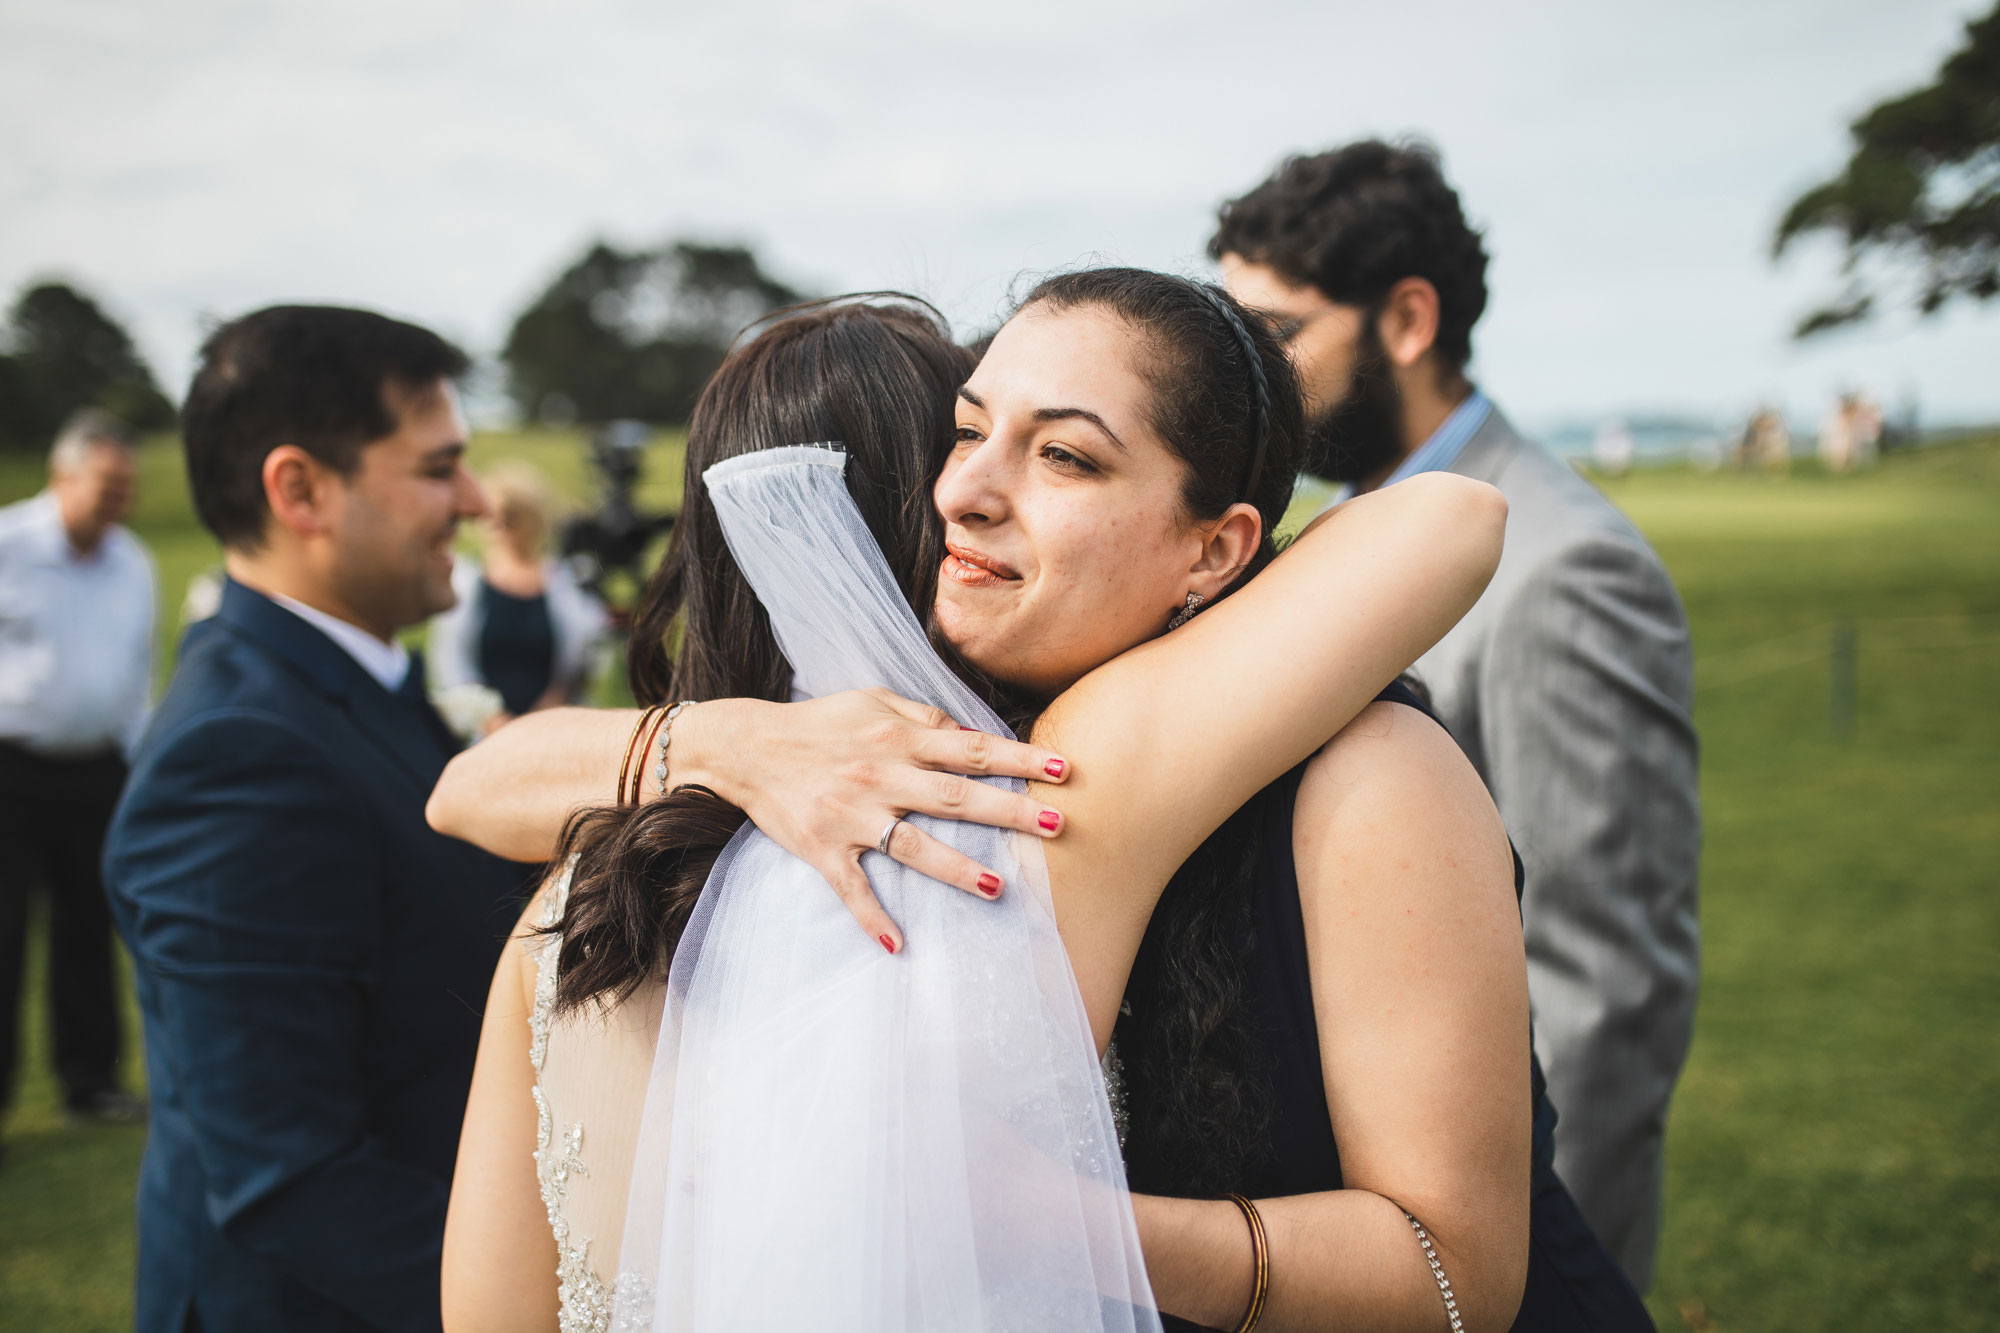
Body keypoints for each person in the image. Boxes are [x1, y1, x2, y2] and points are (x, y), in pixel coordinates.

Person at [437, 272, 1653, 1330]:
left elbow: (1459, 1274)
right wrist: (740, 741)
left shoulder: (1244, 772)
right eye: (961, 439)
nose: (968, 494)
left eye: (1064, 452)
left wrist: (1071, 1226)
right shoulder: (998, 811)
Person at [1211, 139, 1701, 1292]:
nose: (1240, 379)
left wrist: (1520, 1281)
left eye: (1273, 335)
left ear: (1408, 319)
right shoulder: (1337, 528)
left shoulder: (1561, 568)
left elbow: (1597, 995)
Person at [103, 306, 525, 1333]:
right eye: (437, 469)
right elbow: (290, 1176)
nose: (472, 502)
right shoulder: (239, 756)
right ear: (299, 490)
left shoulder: (352, 681)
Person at [0, 409, 153, 1143]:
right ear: (64, 477)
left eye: (128, 486)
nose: (120, 499)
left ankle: (89, 1081)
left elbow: (134, 678)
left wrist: (140, 763)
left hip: (98, 769)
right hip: (11, 767)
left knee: (89, 928)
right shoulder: (8, 544)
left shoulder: (134, 563)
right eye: (108, 484)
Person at [428, 460, 607, 736]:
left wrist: (550, 708)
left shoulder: (567, 584)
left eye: (510, 518)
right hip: (486, 737)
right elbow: (451, 662)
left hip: (555, 731)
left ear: (532, 520)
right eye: (491, 518)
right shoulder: (465, 584)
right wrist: (491, 719)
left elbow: (584, 659)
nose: (499, 527)